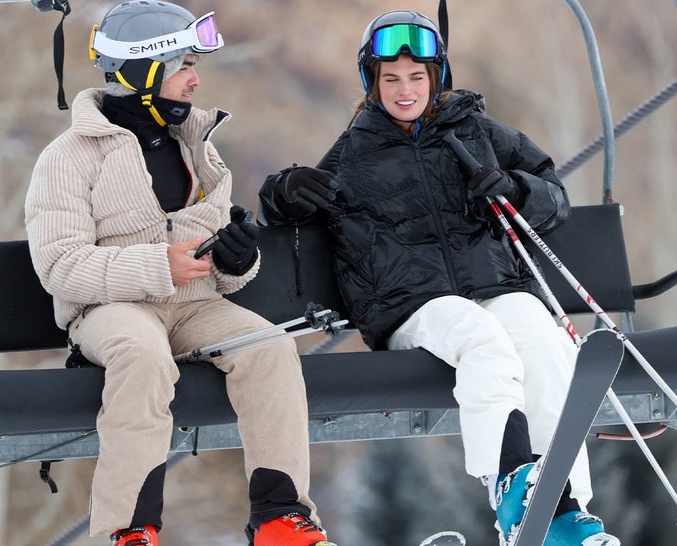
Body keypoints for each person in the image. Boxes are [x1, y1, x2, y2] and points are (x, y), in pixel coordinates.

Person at [258, 10, 619, 546]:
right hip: (413, 308)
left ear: (437, 77)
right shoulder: (352, 155)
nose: (405, 91)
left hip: (497, 288)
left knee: (542, 339)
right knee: (483, 340)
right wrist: (282, 191)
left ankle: (562, 512)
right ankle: (515, 485)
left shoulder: (476, 133)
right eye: (391, 78)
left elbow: (553, 198)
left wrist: (515, 188)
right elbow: (283, 216)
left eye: (416, 77)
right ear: (372, 83)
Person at [25, 2, 338, 545]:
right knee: (143, 358)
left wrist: (237, 261)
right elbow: (59, 265)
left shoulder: (199, 149)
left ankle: (281, 521)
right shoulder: (69, 157)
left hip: (195, 305)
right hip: (111, 310)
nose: (196, 79)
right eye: (183, 65)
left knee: (268, 346)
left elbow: (221, 273)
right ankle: (128, 531)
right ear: (145, 71)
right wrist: (156, 264)